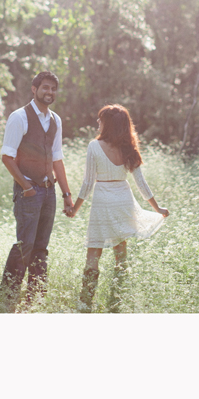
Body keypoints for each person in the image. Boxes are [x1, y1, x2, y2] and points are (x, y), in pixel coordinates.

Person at [66, 104, 170, 312]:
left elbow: (87, 184)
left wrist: (74, 209)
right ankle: (117, 301)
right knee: (120, 254)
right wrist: (157, 208)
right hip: (123, 199)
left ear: (108, 124)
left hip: (103, 201)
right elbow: (141, 183)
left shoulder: (94, 146)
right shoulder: (129, 148)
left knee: (94, 252)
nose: (98, 122)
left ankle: (85, 303)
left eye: (100, 119)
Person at [0, 71, 73, 311]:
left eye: (53, 89)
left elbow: (57, 159)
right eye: (45, 88)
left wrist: (66, 195)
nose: (49, 92)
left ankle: (35, 299)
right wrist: (27, 187)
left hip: (49, 192)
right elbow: (7, 157)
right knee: (25, 244)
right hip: (28, 191)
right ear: (34, 89)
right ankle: (8, 298)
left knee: (41, 246)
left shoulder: (56, 120)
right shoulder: (19, 117)